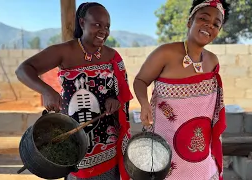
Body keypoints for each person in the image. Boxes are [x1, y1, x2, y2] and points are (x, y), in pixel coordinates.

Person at [15, 2, 133, 180]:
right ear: (82, 22)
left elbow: (121, 93)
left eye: (107, 26)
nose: (104, 31)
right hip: (74, 141)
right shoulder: (65, 51)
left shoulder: (112, 56)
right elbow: (23, 70)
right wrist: (47, 91)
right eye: (97, 24)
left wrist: (114, 100)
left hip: (107, 143)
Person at [133, 0, 230, 179]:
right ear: (189, 21)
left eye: (216, 24)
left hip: (199, 151)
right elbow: (140, 80)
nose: (209, 25)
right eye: (203, 18)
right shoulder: (165, 53)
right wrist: (144, 103)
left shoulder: (213, 61)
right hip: (165, 141)